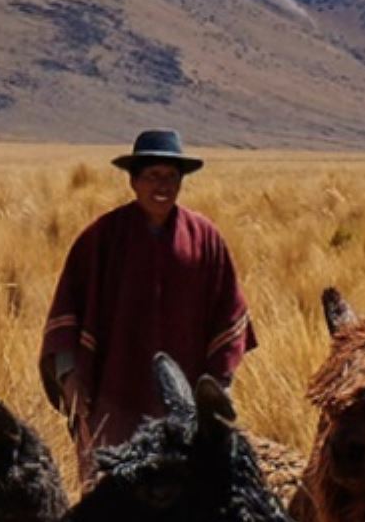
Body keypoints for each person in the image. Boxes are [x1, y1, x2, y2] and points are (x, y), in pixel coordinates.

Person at [39, 129, 256, 483]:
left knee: (186, 499)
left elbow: (228, 316)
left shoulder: (205, 239)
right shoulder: (100, 238)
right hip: (111, 398)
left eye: (172, 177)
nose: (163, 185)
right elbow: (68, 314)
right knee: (109, 499)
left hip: (186, 408)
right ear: (133, 181)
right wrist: (69, 379)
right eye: (153, 175)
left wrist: (218, 388)